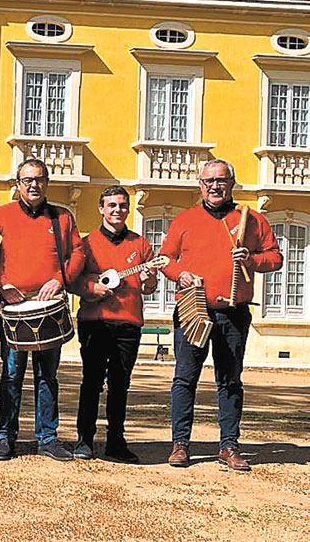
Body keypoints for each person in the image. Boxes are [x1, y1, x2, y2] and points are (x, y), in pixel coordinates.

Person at [160, 159, 282, 471]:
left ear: (232, 184)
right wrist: (180, 274)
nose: (215, 186)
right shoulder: (185, 219)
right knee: (184, 378)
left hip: (233, 313)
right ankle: (180, 444)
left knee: (230, 380)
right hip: (193, 308)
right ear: (200, 185)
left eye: (221, 180)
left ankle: (229, 446)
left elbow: (276, 258)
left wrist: (251, 259)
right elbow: (165, 259)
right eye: (208, 181)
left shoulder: (250, 220)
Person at [0, 158, 85, 462]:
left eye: (39, 179)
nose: (33, 185)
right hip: (14, 308)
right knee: (11, 375)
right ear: (17, 184)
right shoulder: (0, 216)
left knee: (47, 376)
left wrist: (59, 279)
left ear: (47, 183)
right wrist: (3, 284)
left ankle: (48, 437)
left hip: (48, 309)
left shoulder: (62, 217)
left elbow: (78, 253)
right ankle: (5, 436)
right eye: (27, 179)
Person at [71, 186, 157, 463]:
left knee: (120, 384)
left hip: (128, 322)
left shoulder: (141, 244)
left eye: (122, 205)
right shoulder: (86, 244)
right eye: (112, 205)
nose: (117, 210)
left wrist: (148, 279)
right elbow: (73, 280)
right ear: (101, 209)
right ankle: (84, 439)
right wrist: (92, 288)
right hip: (94, 321)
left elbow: (149, 287)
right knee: (91, 382)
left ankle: (116, 442)